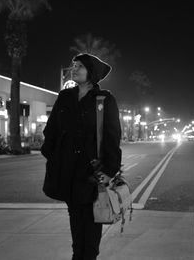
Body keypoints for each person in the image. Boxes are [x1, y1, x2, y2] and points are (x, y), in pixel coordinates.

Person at [41, 53, 122, 259]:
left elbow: (112, 138)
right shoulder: (65, 97)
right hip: (67, 171)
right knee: (76, 221)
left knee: (92, 223)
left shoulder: (104, 100)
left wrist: (108, 170)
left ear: (91, 73)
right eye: (73, 65)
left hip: (92, 172)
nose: (74, 69)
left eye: (80, 66)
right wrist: (51, 154)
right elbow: (51, 130)